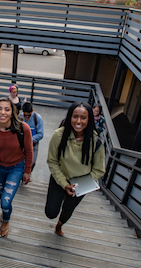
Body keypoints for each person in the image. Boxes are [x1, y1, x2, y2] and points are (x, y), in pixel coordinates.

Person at [45, 101, 105, 236]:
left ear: (89, 119)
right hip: (60, 178)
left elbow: (99, 169)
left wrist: (82, 184)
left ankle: (59, 225)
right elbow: (52, 161)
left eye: (83, 118)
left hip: (80, 184)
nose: (78, 121)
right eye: (75, 116)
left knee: (67, 210)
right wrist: (64, 184)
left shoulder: (96, 142)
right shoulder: (58, 135)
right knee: (51, 212)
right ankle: (56, 219)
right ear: (69, 117)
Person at [0, 97, 33, 237]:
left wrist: (27, 171)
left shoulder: (23, 128)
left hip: (16, 168)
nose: (3, 112)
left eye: (7, 109)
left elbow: (29, 150)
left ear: (13, 112)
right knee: (2, 196)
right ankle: (5, 211)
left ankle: (6, 220)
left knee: (5, 202)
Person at [19, 102, 44, 174]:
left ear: (32, 111)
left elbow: (41, 134)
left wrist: (29, 140)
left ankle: (28, 173)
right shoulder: (20, 117)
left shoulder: (37, 118)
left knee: (32, 162)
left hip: (33, 144)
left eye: (28, 115)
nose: (27, 117)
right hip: (22, 144)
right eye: (25, 115)